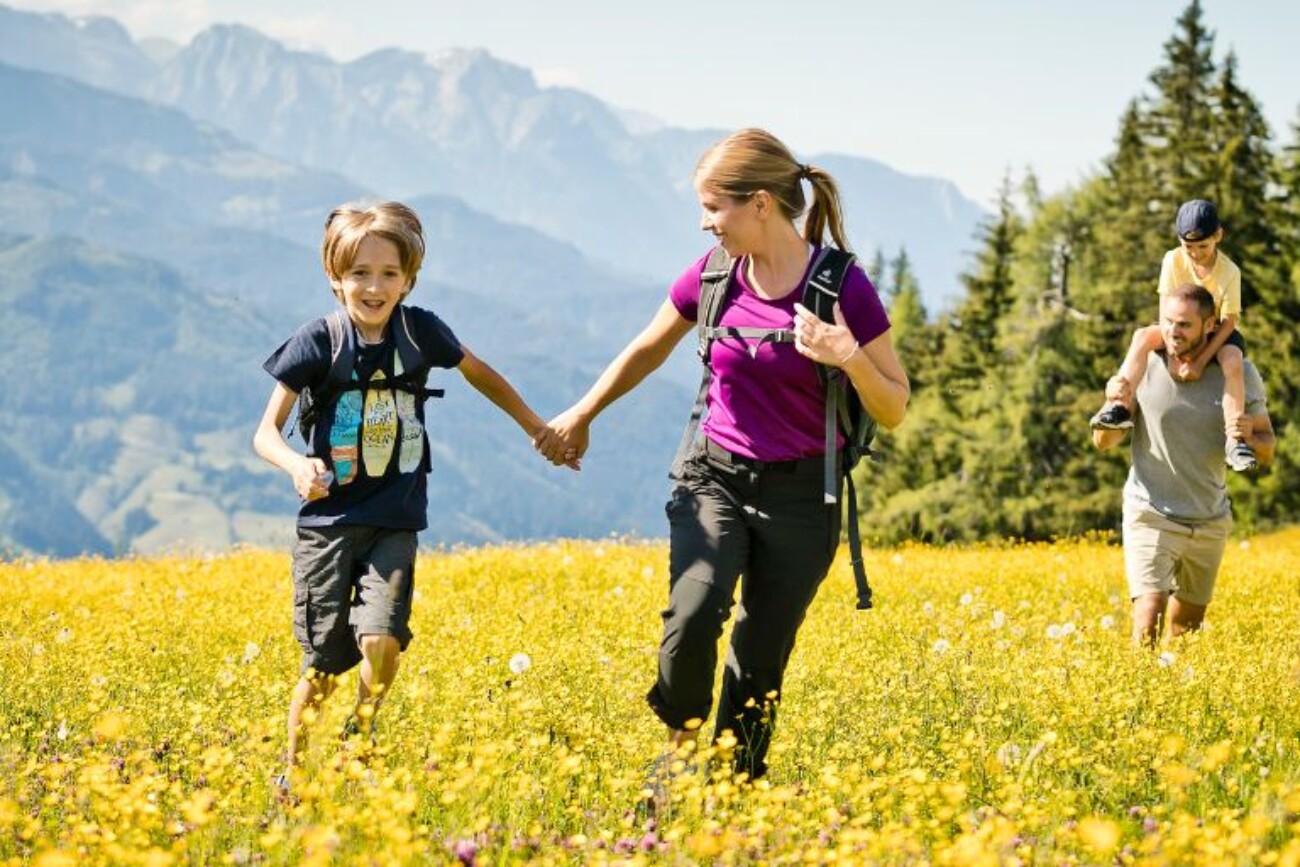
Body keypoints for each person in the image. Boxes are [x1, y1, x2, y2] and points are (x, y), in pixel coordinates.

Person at [535, 129, 910, 788]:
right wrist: (583, 411)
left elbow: (894, 404)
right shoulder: (712, 275)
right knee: (694, 610)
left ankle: (733, 795)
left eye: (715, 208)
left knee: (760, 658)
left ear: (761, 203)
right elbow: (647, 348)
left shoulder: (840, 287)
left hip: (803, 496)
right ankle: (676, 752)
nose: (707, 223)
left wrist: (846, 353)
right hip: (714, 476)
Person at [253, 201, 567, 793]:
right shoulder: (318, 341)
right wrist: (298, 465)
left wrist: (535, 425)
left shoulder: (420, 331)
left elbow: (479, 372)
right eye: (359, 274)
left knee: (384, 640)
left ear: (410, 279)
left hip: (396, 519)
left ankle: (359, 737)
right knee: (323, 666)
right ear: (334, 276)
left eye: (389, 274)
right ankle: (292, 781)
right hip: (328, 525)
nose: (374, 287)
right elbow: (264, 432)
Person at [1092, 283, 1274, 646]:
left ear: (1209, 326)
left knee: (1187, 628)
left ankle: (1172, 694)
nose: (1174, 332)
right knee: (1149, 611)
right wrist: (1114, 408)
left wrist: (1249, 436)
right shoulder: (1144, 366)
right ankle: (1137, 696)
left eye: (1185, 325)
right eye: (1168, 322)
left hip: (1208, 518)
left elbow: (1267, 447)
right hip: (1150, 511)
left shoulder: (1239, 373)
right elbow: (1102, 441)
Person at [1090, 199, 1258, 472]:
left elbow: (1229, 321)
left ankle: (1235, 439)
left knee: (1233, 361)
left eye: (1202, 246)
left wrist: (1201, 361)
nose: (1195, 254)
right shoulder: (1173, 259)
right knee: (1142, 336)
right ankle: (1119, 405)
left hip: (1215, 331)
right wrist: (1172, 354)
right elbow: (1165, 310)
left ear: (1218, 236)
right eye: (1188, 246)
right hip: (1178, 326)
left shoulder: (1229, 271)